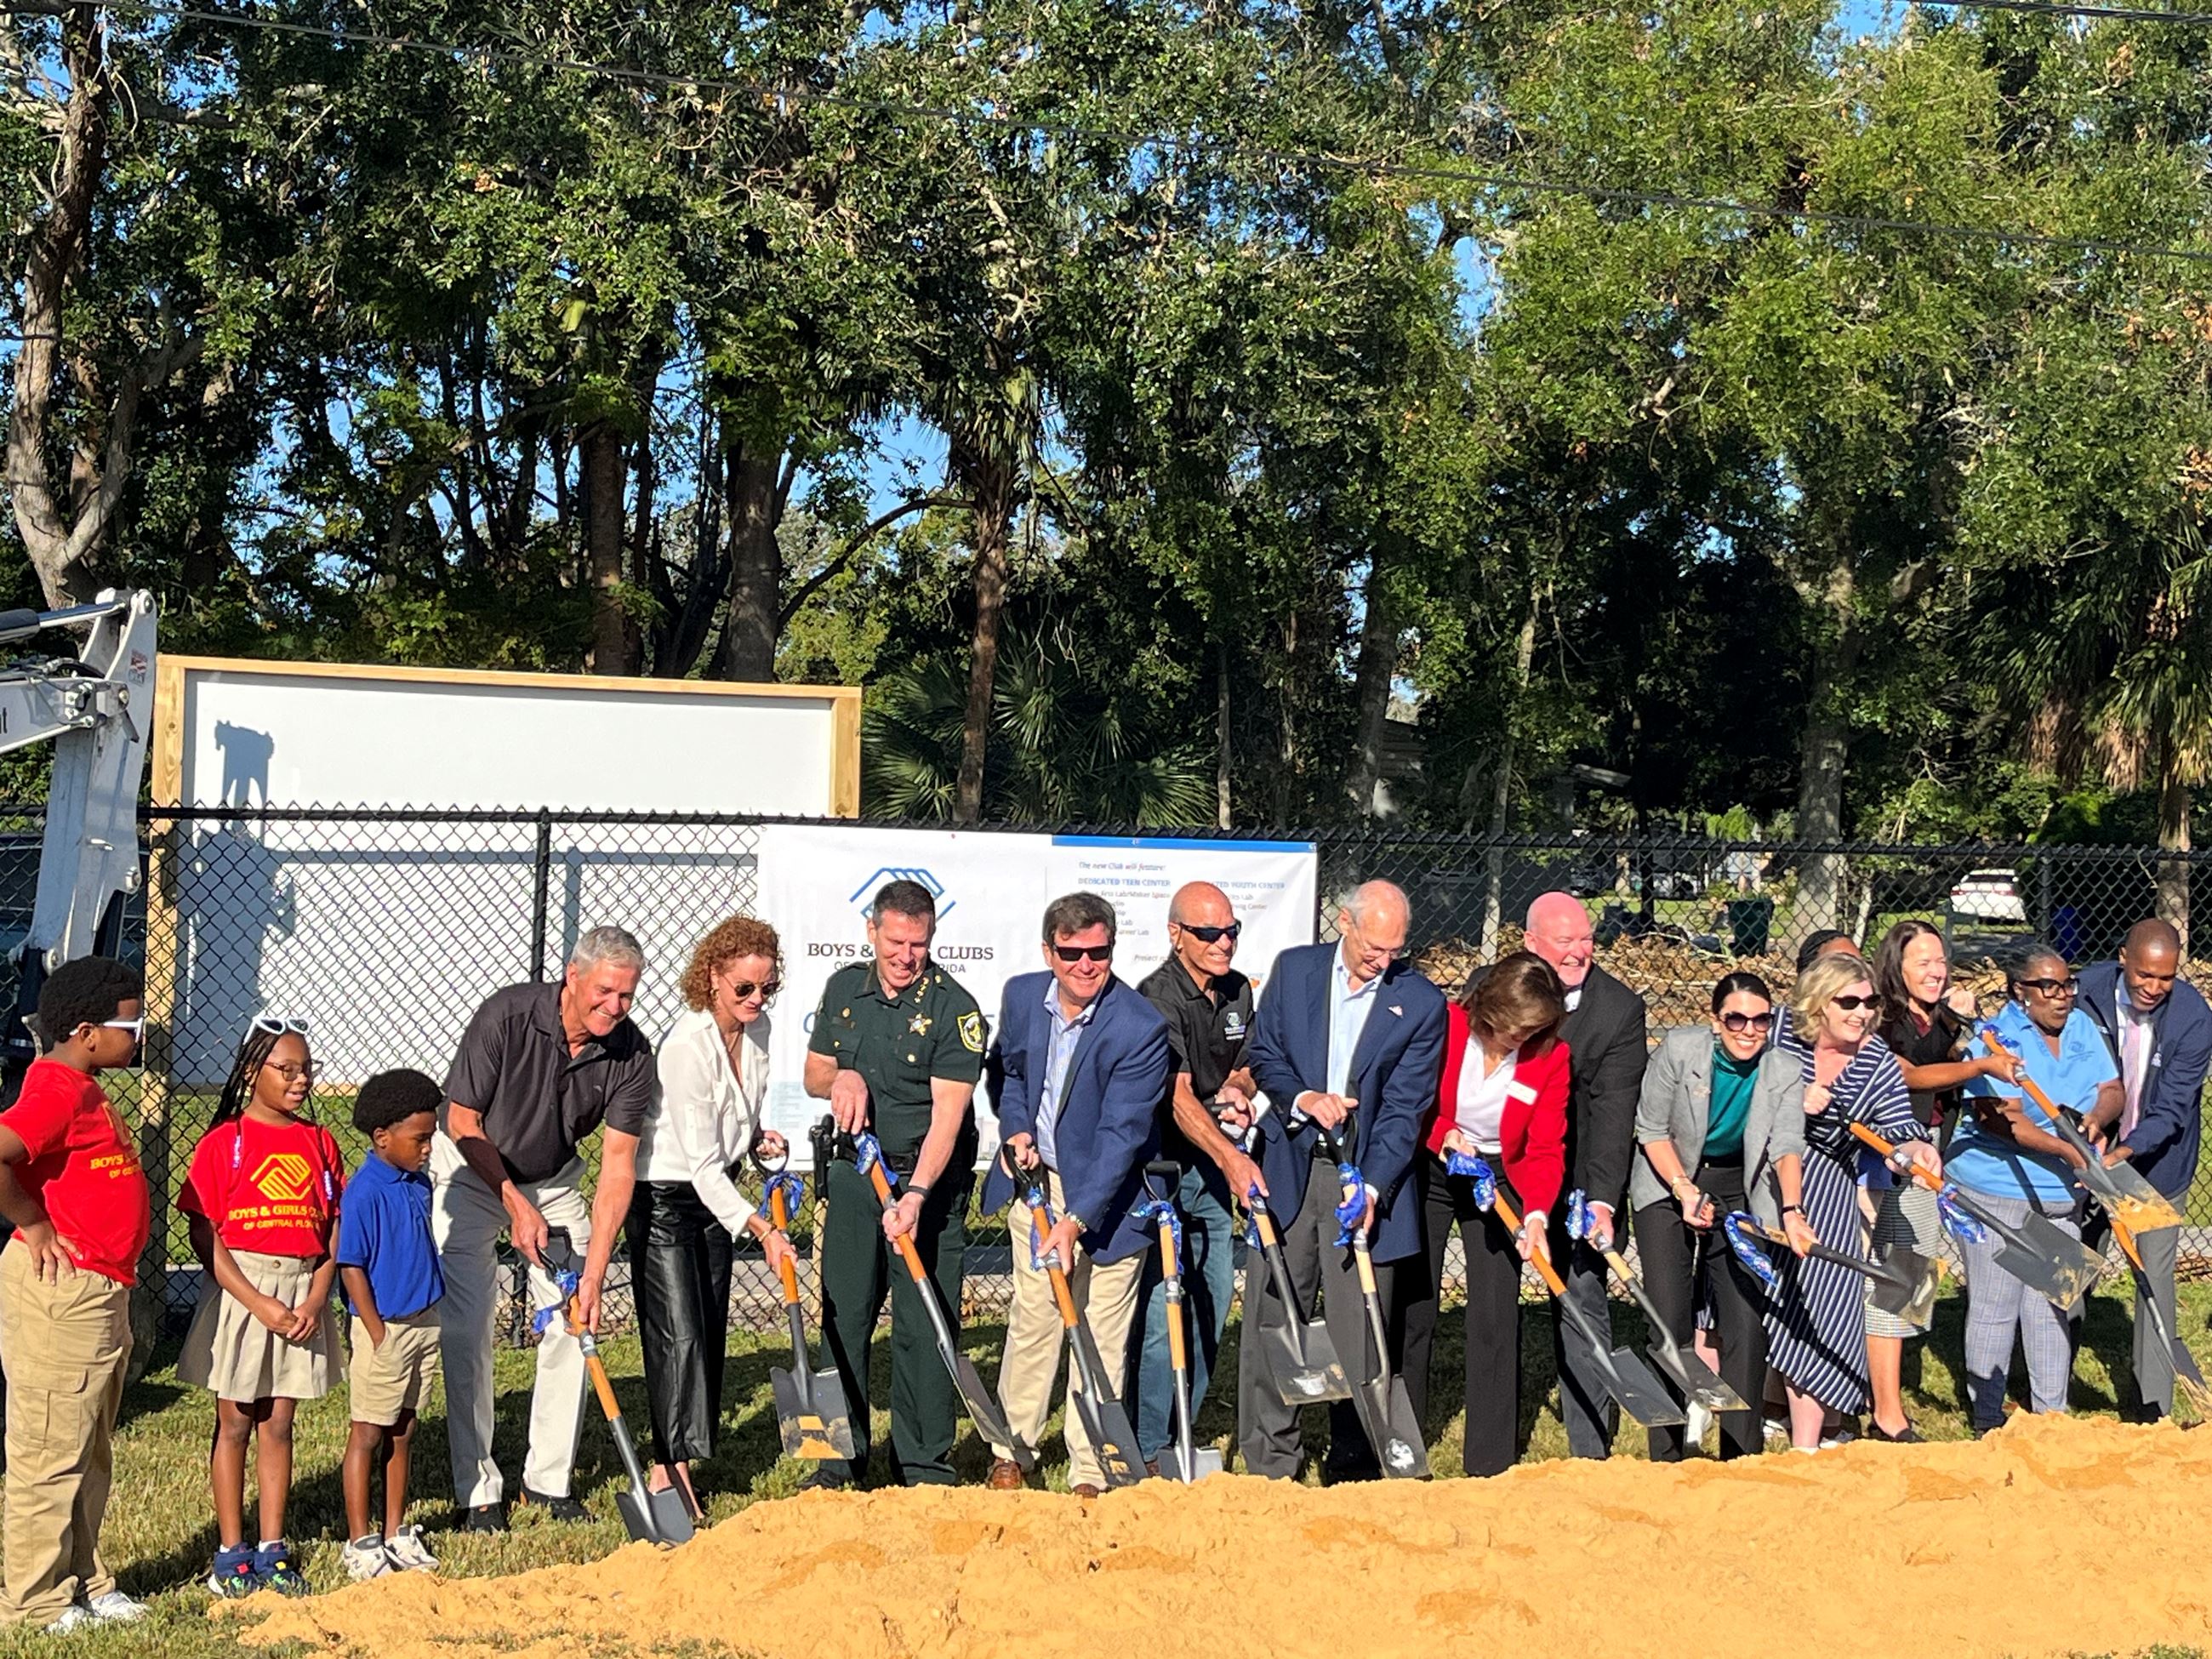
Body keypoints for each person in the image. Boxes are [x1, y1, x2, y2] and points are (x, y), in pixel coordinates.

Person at [436, 926, 654, 1530]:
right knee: (467, 1325)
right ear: (573, 976)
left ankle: (548, 1481)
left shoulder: (632, 1054)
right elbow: (461, 1118)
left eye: (627, 996)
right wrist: (511, 1201)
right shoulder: (506, 1015)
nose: (615, 1007)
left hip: (554, 1181)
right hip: (472, 1170)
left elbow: (616, 1170)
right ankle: (476, 1487)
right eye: (605, 991)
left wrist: (595, 1269)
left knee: (571, 1323)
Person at [1240, 880, 1447, 1481]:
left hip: (1362, 1181)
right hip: (1291, 1167)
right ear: (1344, 924)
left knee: (1361, 1325)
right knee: (1275, 1314)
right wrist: (1302, 1097)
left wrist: (1376, 1187)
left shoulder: (1421, 1003)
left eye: (1395, 950)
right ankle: (1271, 1462)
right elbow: (1265, 1053)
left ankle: (1360, 1463)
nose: (1383, 961)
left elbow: (1406, 1110)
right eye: (1374, 947)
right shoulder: (1295, 971)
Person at [983, 893, 1169, 1496]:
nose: (1086, 964)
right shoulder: (1020, 997)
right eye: (1072, 953)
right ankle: (1012, 1450)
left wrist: (1077, 1221)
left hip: (1112, 1202)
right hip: (1038, 1185)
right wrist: (1017, 1131)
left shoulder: (1140, 1027)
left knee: (1099, 1333)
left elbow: (1123, 1134)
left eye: (1099, 952)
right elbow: (1009, 1073)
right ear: (1049, 952)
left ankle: (1091, 1468)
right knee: (1035, 1319)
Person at [806, 880, 986, 1489]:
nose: (906, 956)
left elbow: (948, 1117)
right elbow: (814, 1070)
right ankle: (834, 1460)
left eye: (919, 943)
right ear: (872, 932)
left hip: (924, 1184)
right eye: (896, 942)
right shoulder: (843, 990)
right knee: (842, 1316)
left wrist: (916, 1195)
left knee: (923, 1325)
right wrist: (843, 1077)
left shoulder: (954, 1010)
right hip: (857, 1177)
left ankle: (923, 1462)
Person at [0, 957, 151, 1632]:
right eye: (132, 1022)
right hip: (64, 1292)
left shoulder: (85, 1087)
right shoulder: (57, 1090)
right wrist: (32, 1222)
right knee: (48, 1451)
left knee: (88, 1445)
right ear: (87, 1031)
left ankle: (84, 1579)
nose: (141, 1033)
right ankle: (33, 1603)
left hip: (100, 1289)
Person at [634, 915, 796, 1515]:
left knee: (707, 1330)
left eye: (766, 988)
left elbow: (737, 1121)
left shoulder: (759, 1033)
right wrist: (762, 1229)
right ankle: (665, 1472)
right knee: (677, 1334)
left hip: (717, 1193)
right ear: (712, 978)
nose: (757, 1000)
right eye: (744, 989)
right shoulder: (685, 1047)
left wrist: (757, 1139)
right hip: (667, 1197)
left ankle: (684, 1455)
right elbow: (698, 1161)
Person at [178, 1018, 345, 1598]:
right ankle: (231, 1552)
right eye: (287, 1070)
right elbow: (206, 1235)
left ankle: (273, 1548)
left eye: (307, 1070)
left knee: (279, 1422)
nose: (301, 1081)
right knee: (235, 1421)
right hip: (245, 1291)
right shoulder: (226, 1142)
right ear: (253, 1073)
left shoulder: (319, 1142)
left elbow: (334, 1228)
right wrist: (256, 1303)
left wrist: (318, 1296)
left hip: (302, 1293)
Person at [1632, 972, 1816, 1460]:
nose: (1749, 1029)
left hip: (1739, 1189)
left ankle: (1741, 1453)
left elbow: (1788, 1146)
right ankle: (1667, 1453)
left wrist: (1793, 1211)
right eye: (1737, 1017)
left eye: (1761, 1019)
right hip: (1669, 1181)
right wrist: (1684, 1189)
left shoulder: (1784, 1069)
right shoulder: (1680, 1050)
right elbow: (1650, 1130)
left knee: (1747, 1324)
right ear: (1717, 1020)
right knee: (1669, 1320)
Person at [1400, 952, 1567, 1477]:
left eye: (1533, 1030)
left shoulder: (1551, 1056)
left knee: (1496, 1311)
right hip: (1435, 1164)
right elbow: (1415, 1100)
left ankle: (1489, 1461)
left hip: (1499, 1177)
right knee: (1414, 1303)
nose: (1521, 1039)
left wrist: (1536, 1214)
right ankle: (1402, 1442)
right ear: (1489, 1009)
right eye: (1513, 1028)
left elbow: (1545, 1146)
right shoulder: (1447, 1027)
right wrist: (1444, 1132)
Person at [1762, 953, 1937, 1451]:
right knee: (1758, 1299)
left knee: (1829, 1308)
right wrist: (1790, 1096)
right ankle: (1740, 1416)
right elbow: (1739, 1078)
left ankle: (1811, 1441)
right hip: (1767, 1179)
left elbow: (1900, 1129)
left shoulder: (1875, 1058)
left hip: (1830, 1188)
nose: (1862, 1012)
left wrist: (1915, 1151)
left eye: (1870, 1002)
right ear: (1819, 1004)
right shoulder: (1778, 1034)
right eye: (1850, 1002)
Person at [1953, 944, 2119, 1434]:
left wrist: (2093, 1121)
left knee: (2054, 1303)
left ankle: (2052, 1419)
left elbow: (2112, 1090)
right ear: (2018, 991)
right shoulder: (1998, 1038)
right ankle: (1987, 1418)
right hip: (1997, 1185)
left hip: (2061, 1193)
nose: (2061, 996)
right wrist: (2064, 1149)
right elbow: (2001, 1121)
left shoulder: (2083, 1027)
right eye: (2048, 987)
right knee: (1995, 1305)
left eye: (2067, 985)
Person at [1130, 881, 1263, 1479]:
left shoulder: (1237, 990)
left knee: (1212, 1297)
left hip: (1211, 1168)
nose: (1223, 942)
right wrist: (1234, 1159)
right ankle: (1148, 1441)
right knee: (1166, 1307)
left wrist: (1238, 1088)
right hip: (1161, 1171)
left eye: (1231, 930)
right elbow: (1178, 1098)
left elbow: (1248, 1062)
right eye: (1209, 933)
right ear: (1176, 934)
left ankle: (1186, 1427)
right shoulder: (1157, 998)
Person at [1867, 921, 2017, 1441]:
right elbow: (1906, 1076)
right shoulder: (1882, 1018)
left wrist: (1967, 1038)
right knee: (1894, 1279)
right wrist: (1981, 1067)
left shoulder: (1939, 1021)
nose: (1936, 971)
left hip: (1932, 1163)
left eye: (1940, 961)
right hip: (1889, 1162)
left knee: (1910, 1280)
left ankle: (1882, 1397)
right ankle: (1886, 1413)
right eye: (1922, 962)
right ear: (1897, 967)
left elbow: (1948, 1062)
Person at [1514, 890, 1648, 1462]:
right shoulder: (1498, 986)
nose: (1578, 951)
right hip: (1495, 1166)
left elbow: (1614, 1115)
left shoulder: (1617, 1010)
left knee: (1582, 1296)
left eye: (1586, 939)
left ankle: (1590, 1447)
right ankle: (1494, 1443)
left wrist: (1601, 1202)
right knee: (1497, 1304)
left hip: (1573, 1171)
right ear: (1532, 943)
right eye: (1564, 940)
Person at [2077, 919, 2212, 1422]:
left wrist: (2126, 1151)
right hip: (2087, 1155)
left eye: (2166, 977)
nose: (2154, 987)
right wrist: (2092, 1146)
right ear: (2122, 960)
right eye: (2144, 976)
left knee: (2154, 1282)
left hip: (2157, 1165)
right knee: (2075, 1267)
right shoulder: (2085, 993)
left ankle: (2150, 1411)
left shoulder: (2194, 1018)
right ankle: (2050, 1388)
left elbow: (2174, 1109)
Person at [336, 1069, 446, 1582]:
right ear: (383, 1137)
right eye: (420, 1138)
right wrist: (377, 1330)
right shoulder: (363, 1193)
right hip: (386, 1332)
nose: (428, 1148)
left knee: (404, 1430)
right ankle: (361, 1540)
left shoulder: (417, 1183)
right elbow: (351, 1265)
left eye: (432, 1136)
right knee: (368, 1433)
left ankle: (396, 1529)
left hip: (425, 1323)